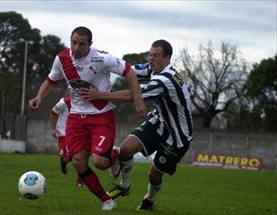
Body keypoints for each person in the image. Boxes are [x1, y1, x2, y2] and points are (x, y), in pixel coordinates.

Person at [28, 26, 147, 210]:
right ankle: (107, 200)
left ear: (89, 45)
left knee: (100, 163)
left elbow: (129, 71)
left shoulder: (101, 58)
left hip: (101, 116)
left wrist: (138, 99)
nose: (76, 48)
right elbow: (51, 80)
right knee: (77, 161)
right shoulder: (62, 58)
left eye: (81, 44)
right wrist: (39, 97)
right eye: (73, 42)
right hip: (76, 117)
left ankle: (113, 154)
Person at [80, 39, 193, 211]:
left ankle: (150, 198)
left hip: (177, 136)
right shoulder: (153, 69)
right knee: (126, 149)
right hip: (159, 121)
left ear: (167, 58)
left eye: (156, 56)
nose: (151, 59)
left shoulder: (165, 79)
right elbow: (127, 71)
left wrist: (99, 95)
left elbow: (133, 94)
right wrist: (105, 61)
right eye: (150, 54)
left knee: (154, 173)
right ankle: (124, 186)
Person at [50, 96, 84, 187]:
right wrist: (53, 129)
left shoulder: (85, 101)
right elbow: (53, 112)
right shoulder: (64, 103)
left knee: (80, 157)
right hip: (63, 134)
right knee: (66, 158)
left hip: (77, 134)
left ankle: (81, 178)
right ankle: (63, 163)